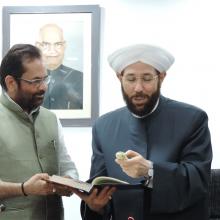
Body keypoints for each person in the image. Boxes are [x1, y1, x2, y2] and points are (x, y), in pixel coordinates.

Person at [74, 44, 212, 220]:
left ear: (161, 77)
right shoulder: (103, 126)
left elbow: (199, 180)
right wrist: (96, 206)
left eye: (147, 78)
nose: (138, 88)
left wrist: (151, 171)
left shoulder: (193, 119)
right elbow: (101, 188)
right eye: (131, 79)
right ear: (120, 78)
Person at [0, 44, 79, 220]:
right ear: (11, 82)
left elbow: (67, 164)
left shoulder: (51, 118)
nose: (44, 87)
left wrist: (69, 180)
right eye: (36, 81)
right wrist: (23, 188)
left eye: (45, 79)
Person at [36, 23, 83, 109]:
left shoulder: (80, 78)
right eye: (46, 44)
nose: (52, 50)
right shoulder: (26, 78)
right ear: (38, 46)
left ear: (64, 46)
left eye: (57, 44)